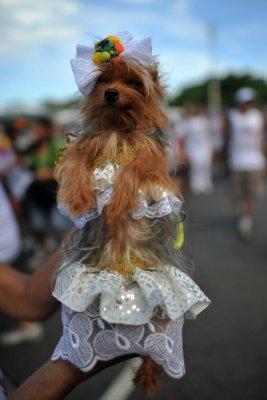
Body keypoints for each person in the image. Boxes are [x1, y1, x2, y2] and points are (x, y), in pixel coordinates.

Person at [228, 87, 266, 239]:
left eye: (250, 102)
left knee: (249, 195)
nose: (247, 104)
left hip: (254, 161)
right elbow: (226, 140)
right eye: (245, 102)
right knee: (237, 195)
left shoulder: (258, 116)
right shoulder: (232, 116)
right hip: (236, 161)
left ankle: (246, 221)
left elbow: (263, 140)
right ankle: (241, 211)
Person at [182, 105, 214, 194]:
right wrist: (185, 149)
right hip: (193, 148)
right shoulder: (189, 121)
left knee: (206, 165)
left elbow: (209, 135)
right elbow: (186, 136)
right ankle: (196, 184)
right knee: (196, 166)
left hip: (205, 147)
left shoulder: (205, 121)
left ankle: (206, 183)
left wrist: (210, 147)